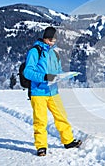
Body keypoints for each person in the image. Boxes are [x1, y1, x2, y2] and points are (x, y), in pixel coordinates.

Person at [24, 26, 81, 156]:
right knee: (40, 121)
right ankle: (41, 146)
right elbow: (27, 72)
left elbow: (58, 71)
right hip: (38, 92)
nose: (52, 42)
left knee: (61, 117)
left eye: (54, 40)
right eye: (50, 39)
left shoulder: (55, 53)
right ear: (44, 38)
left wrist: (64, 75)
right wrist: (44, 77)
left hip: (53, 91)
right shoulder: (35, 51)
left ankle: (68, 141)